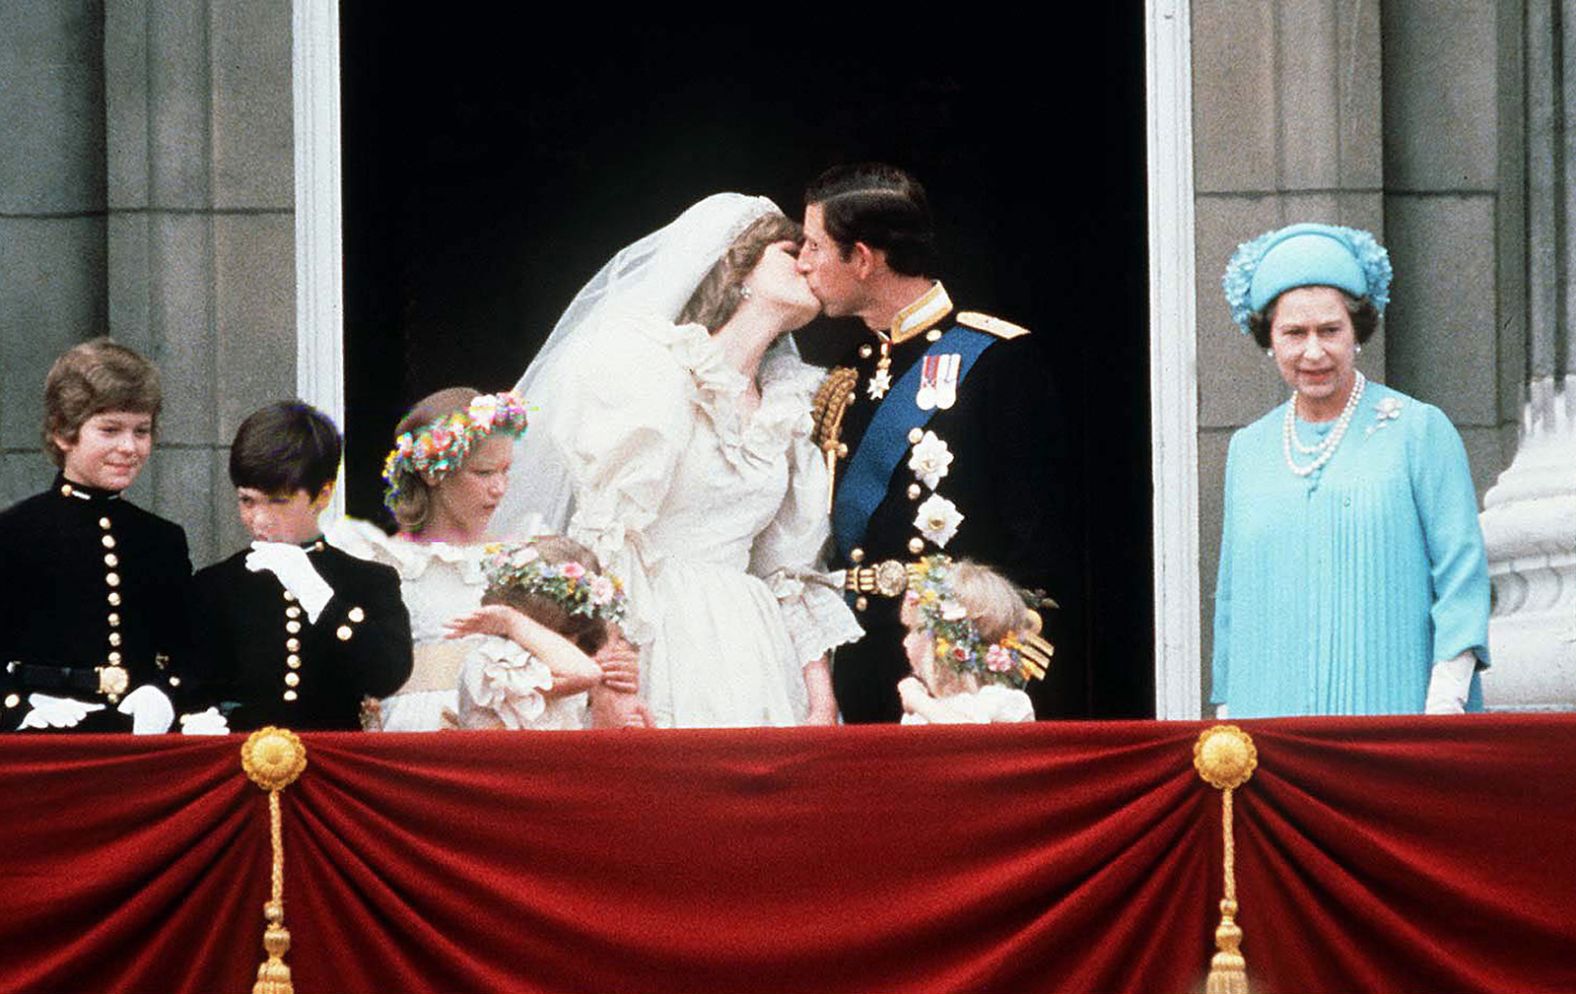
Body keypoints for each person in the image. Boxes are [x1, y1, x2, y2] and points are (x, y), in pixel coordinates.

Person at [497, 193, 861, 728]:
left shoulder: (789, 405)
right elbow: (610, 535)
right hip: (658, 633)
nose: (808, 264)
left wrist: (820, 697)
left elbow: (789, 568)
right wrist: (610, 671)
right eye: (791, 251)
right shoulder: (653, 373)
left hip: (752, 646)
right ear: (739, 269)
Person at [796, 163, 1063, 723]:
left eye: (815, 246)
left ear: (863, 259)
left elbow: (1035, 542)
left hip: (955, 665)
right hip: (857, 655)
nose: (804, 264)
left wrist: (1002, 662)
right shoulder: (848, 373)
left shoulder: (995, 359)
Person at [1212, 222, 1491, 716]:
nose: (1313, 351)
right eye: (1294, 333)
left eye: (1330, 330)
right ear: (1269, 340)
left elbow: (1461, 578)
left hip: (1395, 714)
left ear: (1357, 332)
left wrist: (1444, 701)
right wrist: (1229, 714)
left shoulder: (1418, 430)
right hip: (1271, 718)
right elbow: (1234, 602)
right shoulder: (1248, 449)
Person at [333, 387, 637, 731]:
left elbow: (581, 639)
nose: (499, 487)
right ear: (434, 473)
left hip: (520, 720)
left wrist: (609, 657)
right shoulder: (384, 559)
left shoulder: (529, 554)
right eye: (484, 473)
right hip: (421, 725)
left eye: (505, 471)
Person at [0, 338, 220, 734]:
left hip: (137, 746)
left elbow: (193, 655)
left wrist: (164, 693)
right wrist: (19, 708)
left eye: (142, 431)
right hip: (44, 751)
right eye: (110, 429)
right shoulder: (14, 533)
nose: (129, 447)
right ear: (63, 433)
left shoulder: (161, 540)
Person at [192, 401, 414, 731]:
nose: (260, 519)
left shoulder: (368, 581)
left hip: (332, 768)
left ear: (322, 495)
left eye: (279, 501)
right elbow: (194, 685)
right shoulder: (216, 585)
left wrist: (320, 597)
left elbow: (387, 675)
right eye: (248, 501)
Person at [449, 537, 634, 730]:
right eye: (560, 634)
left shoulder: (570, 663)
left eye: (573, 632)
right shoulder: (496, 664)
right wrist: (510, 621)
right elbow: (587, 674)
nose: (568, 643)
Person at [896, 556, 1050, 724]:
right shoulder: (920, 713)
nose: (905, 642)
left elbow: (966, 734)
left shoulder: (1007, 702)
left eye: (913, 631)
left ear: (947, 641)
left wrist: (917, 699)